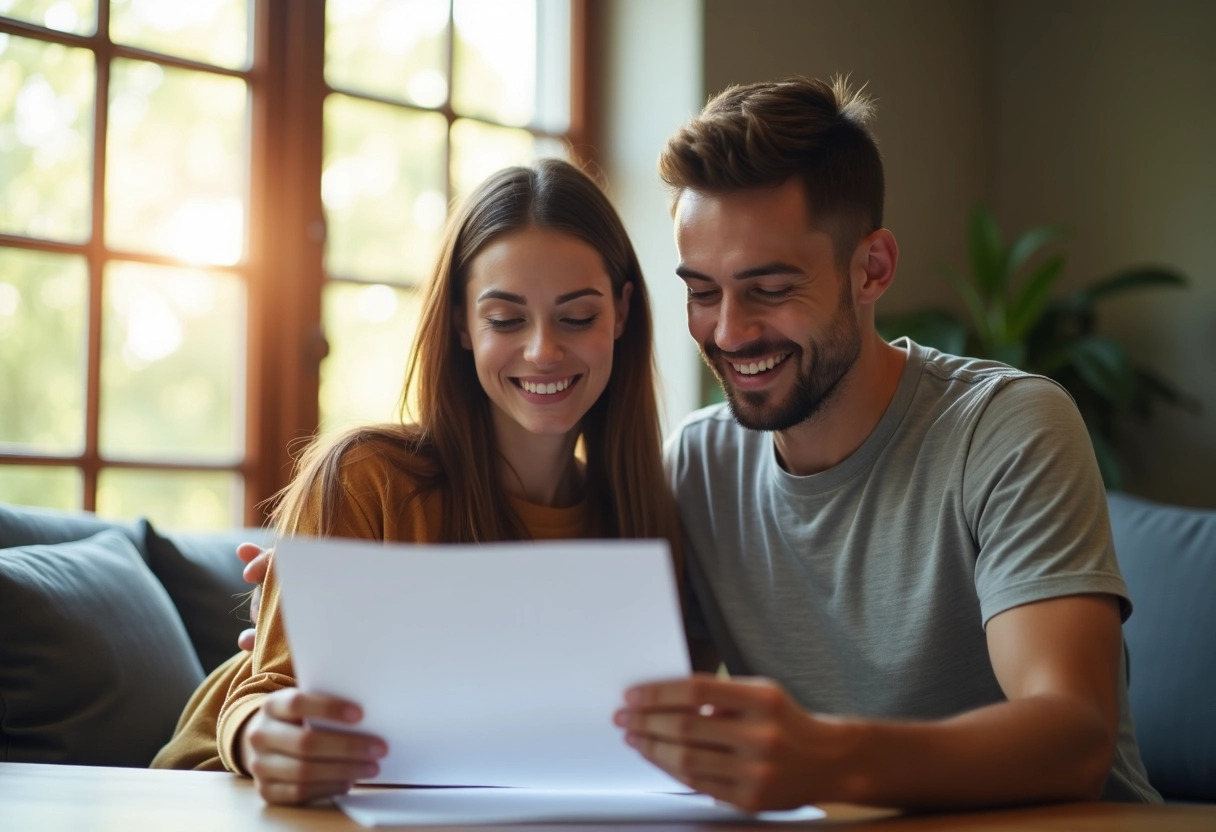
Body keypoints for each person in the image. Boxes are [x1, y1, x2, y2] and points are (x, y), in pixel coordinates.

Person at [612, 76, 1160, 810]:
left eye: (769, 289)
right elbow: (635, 727)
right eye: (703, 293)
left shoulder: (1006, 427)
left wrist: (828, 757)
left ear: (871, 268)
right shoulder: (699, 465)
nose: (730, 332)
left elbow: (1073, 737)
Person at [150, 158, 681, 806]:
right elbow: (264, 695)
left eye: (576, 317)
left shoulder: (642, 516)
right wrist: (262, 734)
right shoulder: (365, 479)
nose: (543, 350)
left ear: (622, 313)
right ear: (461, 322)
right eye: (506, 319)